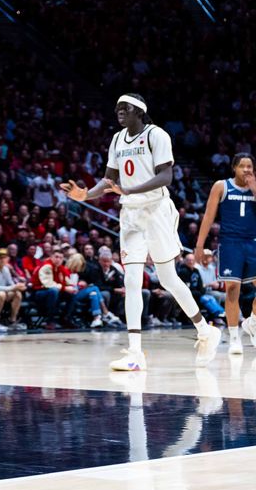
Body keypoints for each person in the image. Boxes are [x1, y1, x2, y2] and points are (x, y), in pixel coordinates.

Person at [63, 93, 221, 371]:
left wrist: (129, 189)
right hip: (131, 213)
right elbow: (109, 180)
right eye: (117, 109)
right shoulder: (116, 139)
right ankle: (135, 352)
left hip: (156, 209)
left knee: (169, 278)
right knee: (133, 278)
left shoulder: (156, 135)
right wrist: (85, 195)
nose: (119, 112)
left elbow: (165, 176)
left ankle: (205, 330)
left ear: (139, 111)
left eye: (124, 108)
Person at [194, 152, 256, 356]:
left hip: (253, 242)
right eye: (242, 166)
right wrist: (199, 245)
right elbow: (208, 217)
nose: (246, 170)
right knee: (232, 291)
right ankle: (234, 338)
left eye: (250, 166)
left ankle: (252, 322)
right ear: (234, 168)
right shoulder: (222, 186)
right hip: (230, 244)